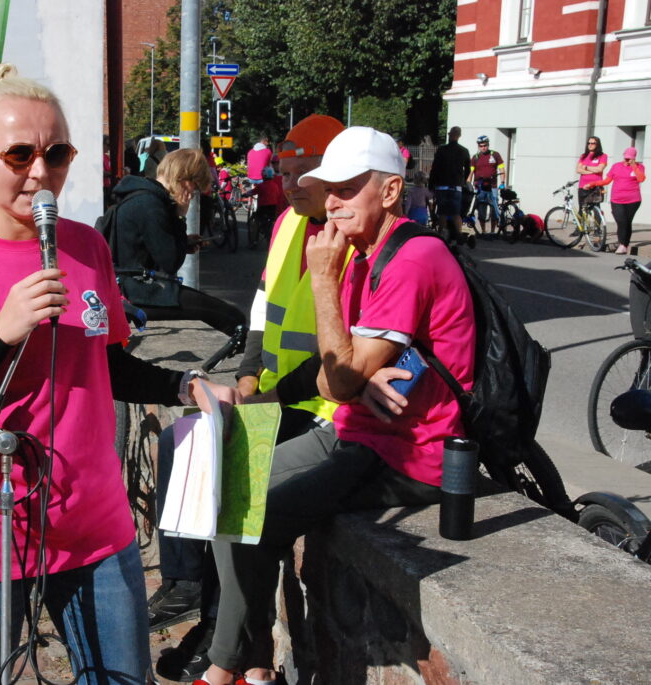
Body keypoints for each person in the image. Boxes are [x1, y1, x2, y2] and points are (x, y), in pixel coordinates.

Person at [0, 63, 241, 684]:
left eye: (57, 154)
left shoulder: (87, 248)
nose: (40, 173)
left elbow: (104, 364)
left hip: (95, 528)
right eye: (19, 154)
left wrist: (182, 385)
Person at [197, 127, 476, 685]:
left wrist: (325, 284)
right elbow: (334, 378)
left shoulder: (412, 256)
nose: (332, 203)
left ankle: (226, 669)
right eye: (329, 190)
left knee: (251, 514)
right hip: (358, 430)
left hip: (409, 453)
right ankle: (254, 665)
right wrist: (351, 378)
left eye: (348, 189)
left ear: (391, 191)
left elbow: (340, 378)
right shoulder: (363, 253)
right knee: (228, 487)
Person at [151, 115, 347, 683]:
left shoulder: (346, 237)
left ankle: (232, 649)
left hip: (322, 410)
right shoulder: (287, 223)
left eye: (302, 172)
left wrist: (267, 397)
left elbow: (342, 354)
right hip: (279, 398)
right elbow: (263, 309)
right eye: (283, 172)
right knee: (180, 443)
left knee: (233, 487)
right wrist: (246, 376)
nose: (289, 183)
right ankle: (188, 588)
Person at [106, 148, 247, 341]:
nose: (193, 194)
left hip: (127, 285)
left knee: (221, 312)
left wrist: (184, 243)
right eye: (195, 187)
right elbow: (170, 263)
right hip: (139, 292)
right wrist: (181, 216)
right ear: (184, 179)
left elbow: (149, 246)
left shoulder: (141, 195)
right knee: (234, 318)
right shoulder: (151, 205)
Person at [584, 146, 645, 254]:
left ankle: (623, 245)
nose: (627, 160)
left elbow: (641, 179)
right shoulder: (616, 166)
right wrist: (593, 183)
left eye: (629, 158)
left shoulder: (639, 167)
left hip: (633, 200)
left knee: (627, 222)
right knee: (621, 221)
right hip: (617, 199)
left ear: (634, 158)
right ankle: (622, 244)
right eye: (626, 158)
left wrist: (634, 166)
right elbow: (607, 180)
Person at [428, 126, 472, 245]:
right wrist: (463, 181)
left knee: (442, 212)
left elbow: (435, 168)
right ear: (459, 136)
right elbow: (468, 169)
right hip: (456, 186)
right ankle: (458, 234)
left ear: (449, 135)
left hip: (442, 185)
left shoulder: (442, 150)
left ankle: (442, 234)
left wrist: (431, 183)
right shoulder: (464, 151)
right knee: (456, 213)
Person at [468, 134, 505, 234]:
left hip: (493, 187)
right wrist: (468, 184)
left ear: (488, 144)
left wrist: (502, 182)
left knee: (494, 210)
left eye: (485, 145)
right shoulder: (475, 157)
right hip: (480, 188)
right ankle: (483, 231)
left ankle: (492, 232)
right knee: (481, 210)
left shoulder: (495, 155)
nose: (483, 147)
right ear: (478, 146)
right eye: (481, 146)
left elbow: (502, 169)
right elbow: (471, 172)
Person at [576, 135, 608, 210]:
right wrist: (592, 171)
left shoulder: (602, 156)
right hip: (583, 186)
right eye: (589, 143)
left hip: (596, 187)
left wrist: (586, 167)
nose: (590, 145)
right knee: (582, 209)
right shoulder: (583, 156)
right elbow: (578, 170)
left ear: (597, 144)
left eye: (593, 143)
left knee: (596, 208)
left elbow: (599, 169)